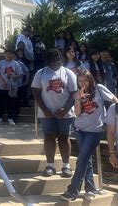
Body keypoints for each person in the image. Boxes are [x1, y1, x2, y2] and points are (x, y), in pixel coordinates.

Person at [61, 70, 118, 201]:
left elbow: (115, 100)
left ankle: (72, 191)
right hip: (80, 130)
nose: (83, 83)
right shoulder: (77, 94)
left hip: (94, 131)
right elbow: (77, 113)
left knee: (82, 159)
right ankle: (90, 189)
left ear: (90, 80)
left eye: (85, 80)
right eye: (80, 81)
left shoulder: (99, 89)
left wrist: (115, 116)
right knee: (86, 159)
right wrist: (78, 100)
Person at [32, 49, 77, 178]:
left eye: (59, 57)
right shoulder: (41, 73)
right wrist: (45, 109)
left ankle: (66, 166)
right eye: (54, 58)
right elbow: (35, 91)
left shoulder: (68, 73)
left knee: (64, 137)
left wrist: (65, 110)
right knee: (49, 137)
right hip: (47, 113)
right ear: (48, 60)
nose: (57, 60)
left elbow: (74, 93)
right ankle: (50, 165)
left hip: (65, 113)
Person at [0, 49, 24, 126]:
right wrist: (2, 82)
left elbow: (21, 74)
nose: (8, 55)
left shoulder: (15, 63)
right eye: (7, 54)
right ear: (4, 55)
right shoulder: (1, 63)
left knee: (11, 103)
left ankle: (10, 118)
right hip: (1, 87)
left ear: (12, 55)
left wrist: (15, 76)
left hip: (12, 87)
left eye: (10, 54)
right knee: (0, 103)